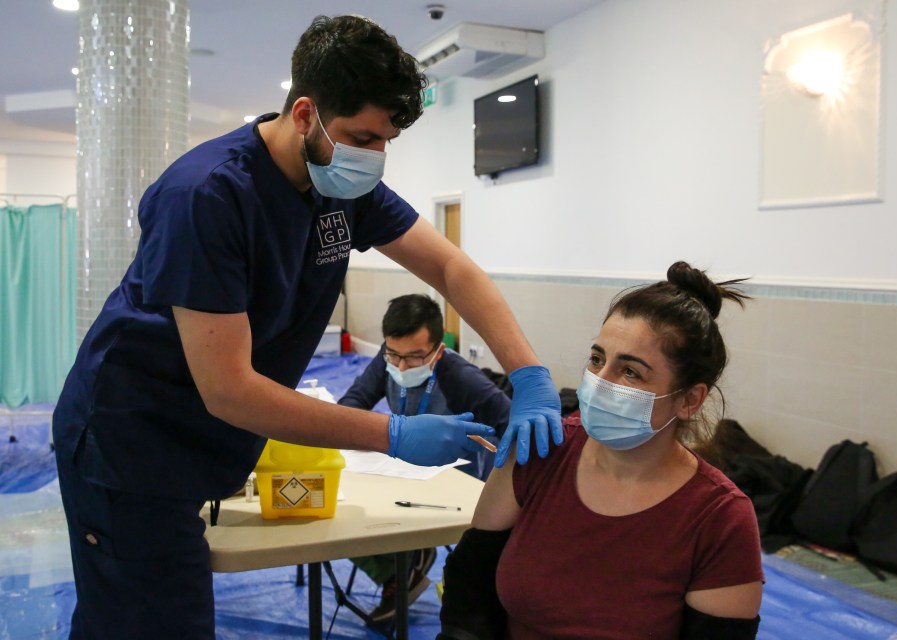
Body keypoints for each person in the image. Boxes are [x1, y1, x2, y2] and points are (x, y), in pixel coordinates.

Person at [52, 15, 561, 639]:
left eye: (387, 142)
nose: (374, 158)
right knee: (145, 624)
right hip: (129, 444)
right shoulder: (207, 195)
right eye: (362, 137)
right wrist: (391, 433)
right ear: (303, 113)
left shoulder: (341, 184)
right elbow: (230, 389)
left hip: (204, 439)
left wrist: (529, 373)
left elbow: (450, 267)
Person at [439, 261, 765, 639]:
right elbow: (469, 591)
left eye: (630, 372)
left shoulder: (720, 519)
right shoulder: (543, 449)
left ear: (689, 400)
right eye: (597, 359)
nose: (599, 382)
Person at [338, 293, 511, 623]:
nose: (401, 367)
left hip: (453, 486)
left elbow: (511, 423)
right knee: (340, 510)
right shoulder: (388, 358)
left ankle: (407, 564)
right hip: (400, 473)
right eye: (395, 355)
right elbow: (354, 401)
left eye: (415, 358)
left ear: (438, 350)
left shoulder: (460, 376)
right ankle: (397, 573)